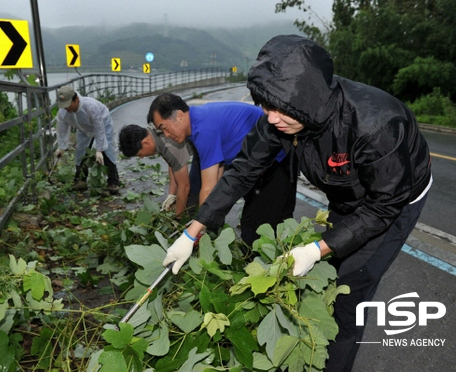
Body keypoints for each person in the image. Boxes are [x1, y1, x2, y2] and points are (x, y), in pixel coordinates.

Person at [161, 35, 432, 372]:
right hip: (346, 192)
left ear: (307, 99)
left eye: (276, 109)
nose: (270, 117)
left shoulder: (376, 126)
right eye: (265, 106)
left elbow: (382, 207)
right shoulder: (283, 115)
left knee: (350, 293)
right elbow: (242, 171)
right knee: (328, 275)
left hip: (395, 198)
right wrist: (193, 231)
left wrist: (316, 248)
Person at [148, 94, 296, 246]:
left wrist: (197, 230)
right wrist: (203, 222)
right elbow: (218, 175)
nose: (166, 135)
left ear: (179, 116)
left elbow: (208, 188)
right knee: (273, 220)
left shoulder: (203, 129)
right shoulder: (197, 122)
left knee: (255, 228)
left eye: (164, 128)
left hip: (276, 159)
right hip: (260, 162)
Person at [118, 124, 200, 217]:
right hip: (198, 147)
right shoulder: (153, 131)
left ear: (145, 143)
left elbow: (184, 186)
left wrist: (178, 218)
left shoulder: (169, 146)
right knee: (188, 198)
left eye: (139, 154)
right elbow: (173, 164)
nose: (141, 157)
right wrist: (171, 195)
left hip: (209, 145)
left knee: (197, 198)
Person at [54, 85, 120, 194]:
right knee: (81, 152)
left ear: (76, 99)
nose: (67, 108)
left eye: (68, 105)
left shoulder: (90, 107)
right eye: (64, 106)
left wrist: (99, 150)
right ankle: (80, 180)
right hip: (83, 129)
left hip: (103, 124)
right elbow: (62, 129)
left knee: (107, 151)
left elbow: (99, 129)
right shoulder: (63, 112)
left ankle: (113, 181)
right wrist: (61, 147)